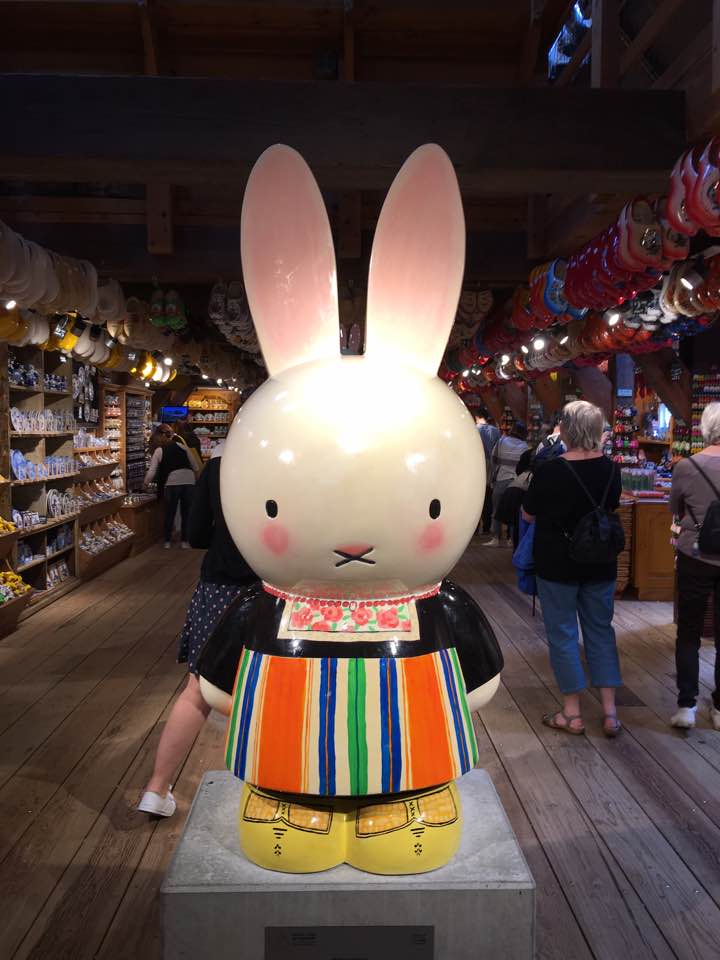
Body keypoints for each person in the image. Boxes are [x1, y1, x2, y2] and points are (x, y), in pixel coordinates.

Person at [137, 446, 259, 816]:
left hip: (221, 586)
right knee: (274, 688)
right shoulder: (299, 461)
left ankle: (156, 789)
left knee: (198, 689)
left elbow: (197, 534)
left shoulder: (219, 466)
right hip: (278, 588)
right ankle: (268, 787)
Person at [522, 400, 623, 737]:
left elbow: (528, 513)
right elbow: (611, 505)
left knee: (563, 634)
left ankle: (572, 714)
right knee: (601, 631)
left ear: (566, 430)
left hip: (557, 563)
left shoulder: (550, 470)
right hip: (601, 562)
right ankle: (610, 714)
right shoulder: (611, 469)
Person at [669, 401, 720, 731]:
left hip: (695, 554)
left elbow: (675, 508)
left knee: (688, 631)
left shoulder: (687, 467)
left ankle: (686, 705)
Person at [145, 424, 197, 549]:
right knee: (186, 513)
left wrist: (145, 483)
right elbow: (195, 466)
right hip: (189, 480)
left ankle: (167, 541)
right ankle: (185, 541)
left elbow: (152, 471)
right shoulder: (182, 446)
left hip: (172, 482)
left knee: (170, 512)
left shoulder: (159, 450)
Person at [485, 421, 529, 547]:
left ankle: (495, 538)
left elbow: (494, 461)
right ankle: (511, 539)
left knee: (496, 510)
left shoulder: (501, 442)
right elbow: (524, 466)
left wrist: (492, 478)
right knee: (514, 512)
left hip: (501, 479)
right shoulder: (525, 446)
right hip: (516, 483)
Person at [475, 412, 500, 534]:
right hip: (492, 466)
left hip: (477, 464)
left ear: (477, 417)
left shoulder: (474, 429)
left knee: (475, 497)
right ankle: (487, 526)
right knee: (488, 496)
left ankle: (474, 528)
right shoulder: (495, 431)